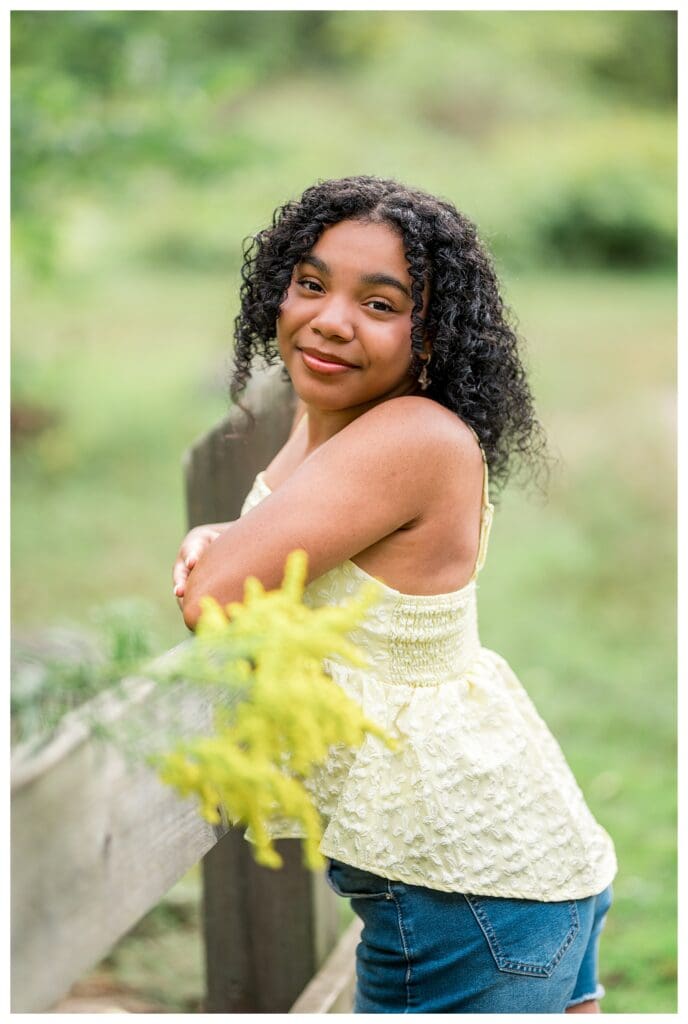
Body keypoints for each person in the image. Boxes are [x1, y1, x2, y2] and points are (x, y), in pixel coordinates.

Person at [172, 176, 617, 1013]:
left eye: (380, 304)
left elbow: (216, 600)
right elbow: (259, 556)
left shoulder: (410, 436)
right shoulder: (339, 409)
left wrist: (214, 554)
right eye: (311, 285)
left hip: (465, 898)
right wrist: (222, 546)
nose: (331, 320)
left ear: (437, 335)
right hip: (513, 868)